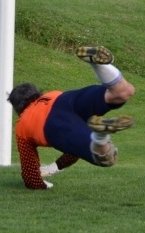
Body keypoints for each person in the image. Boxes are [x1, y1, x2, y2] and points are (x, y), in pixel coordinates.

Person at [7, 45, 136, 189]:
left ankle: (100, 136)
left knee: (107, 158)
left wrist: (38, 183)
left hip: (51, 124)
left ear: (17, 107)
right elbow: (73, 150)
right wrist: (53, 168)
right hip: (64, 99)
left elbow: (30, 175)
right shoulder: (49, 95)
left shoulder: (22, 124)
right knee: (122, 92)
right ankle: (97, 64)